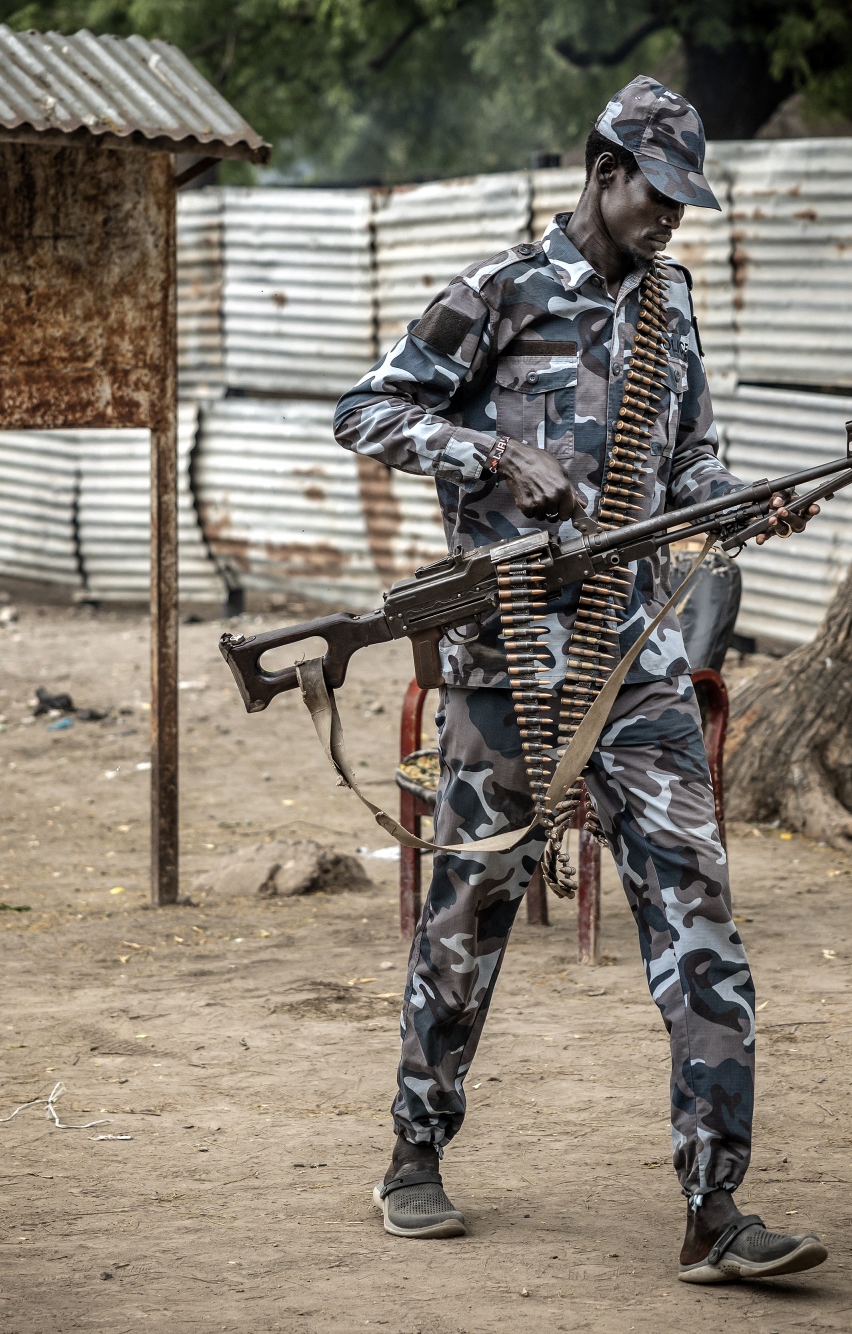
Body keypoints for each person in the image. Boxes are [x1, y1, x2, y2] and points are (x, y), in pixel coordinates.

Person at [332, 76, 826, 1284]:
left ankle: (716, 1209)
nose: (668, 218)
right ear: (604, 173)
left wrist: (742, 504)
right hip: (505, 662)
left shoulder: (671, 306)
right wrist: (493, 451)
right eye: (655, 194)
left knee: (698, 918)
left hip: (637, 657)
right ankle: (413, 1153)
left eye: (679, 201)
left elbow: (693, 452)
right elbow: (366, 410)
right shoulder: (496, 291)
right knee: (469, 914)